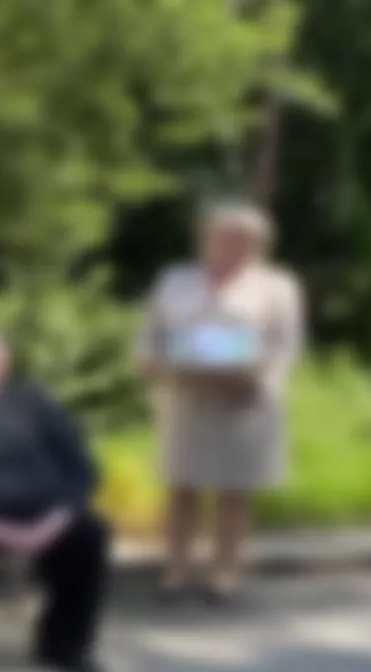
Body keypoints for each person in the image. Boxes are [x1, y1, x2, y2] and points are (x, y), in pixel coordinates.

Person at [136, 200, 305, 603]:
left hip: (243, 404)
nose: (231, 246)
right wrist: (164, 369)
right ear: (205, 238)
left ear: (259, 246)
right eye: (223, 237)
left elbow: (285, 348)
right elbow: (149, 342)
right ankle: (175, 569)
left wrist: (257, 382)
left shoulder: (275, 287)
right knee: (181, 488)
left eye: (243, 240)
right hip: (184, 399)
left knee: (234, 491)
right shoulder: (175, 281)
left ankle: (225, 571)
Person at [0, 332, 110, 672]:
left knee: (88, 535)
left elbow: (81, 467)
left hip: (39, 517)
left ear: (4, 368)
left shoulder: (35, 402)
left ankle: (64, 648)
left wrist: (55, 520)